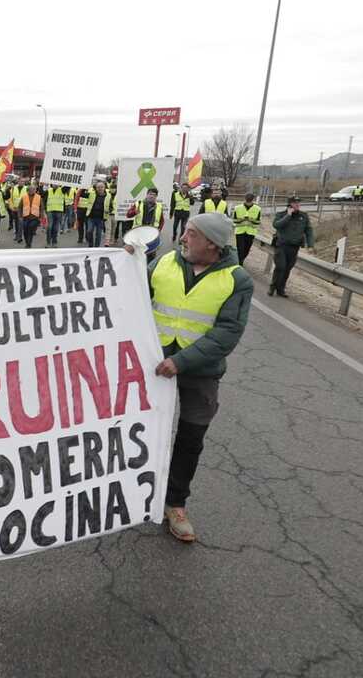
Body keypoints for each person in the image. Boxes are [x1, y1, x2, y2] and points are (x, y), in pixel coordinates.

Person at [126, 213, 252, 543]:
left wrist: (181, 362)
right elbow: (134, 290)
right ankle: (127, 493)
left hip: (199, 372)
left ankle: (175, 504)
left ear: (212, 243)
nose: (183, 238)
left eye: (192, 234)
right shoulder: (167, 261)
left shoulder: (237, 280)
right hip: (152, 366)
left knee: (190, 439)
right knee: (136, 430)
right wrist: (124, 263)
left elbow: (227, 333)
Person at [269, 195, 313, 297]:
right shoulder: (281, 214)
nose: (297, 204)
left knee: (287, 269)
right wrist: (288, 216)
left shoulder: (303, 216)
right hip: (281, 246)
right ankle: (273, 286)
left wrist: (310, 245)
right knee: (280, 267)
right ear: (290, 204)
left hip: (294, 247)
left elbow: (309, 231)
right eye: (295, 203)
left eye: (298, 203)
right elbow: (276, 225)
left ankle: (281, 289)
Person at [231, 193, 260, 266]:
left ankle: (240, 260)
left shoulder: (258, 209)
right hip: (240, 232)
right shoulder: (237, 208)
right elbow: (234, 220)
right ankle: (240, 264)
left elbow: (258, 222)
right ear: (245, 199)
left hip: (251, 232)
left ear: (253, 200)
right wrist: (242, 219)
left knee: (246, 250)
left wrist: (250, 220)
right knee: (240, 249)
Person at [83, 180, 113, 248]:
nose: (100, 188)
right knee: (89, 231)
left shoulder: (108, 196)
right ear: (96, 188)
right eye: (98, 187)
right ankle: (91, 245)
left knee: (98, 234)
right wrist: (83, 186)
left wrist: (109, 211)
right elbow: (82, 194)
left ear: (104, 187)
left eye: (102, 187)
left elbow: (111, 207)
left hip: (101, 218)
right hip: (91, 217)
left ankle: (96, 247)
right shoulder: (92, 193)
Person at [18, 182, 45, 248]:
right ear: (28, 190)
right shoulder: (24, 197)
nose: (32, 191)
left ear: (35, 190)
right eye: (31, 189)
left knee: (30, 229)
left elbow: (41, 208)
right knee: (25, 230)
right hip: (25, 217)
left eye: (34, 189)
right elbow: (20, 207)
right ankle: (27, 242)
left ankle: (29, 243)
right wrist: (20, 216)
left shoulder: (39, 197)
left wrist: (41, 217)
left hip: (34, 217)